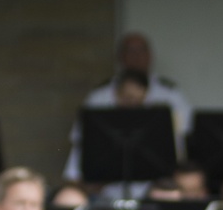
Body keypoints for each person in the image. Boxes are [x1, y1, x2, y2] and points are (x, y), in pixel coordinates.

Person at [63, 32, 192, 183]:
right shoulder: (99, 96)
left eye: (141, 50)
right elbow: (81, 142)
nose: (136, 56)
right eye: (130, 51)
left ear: (150, 55)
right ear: (120, 56)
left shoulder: (171, 94)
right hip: (107, 184)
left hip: (158, 183)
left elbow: (184, 139)